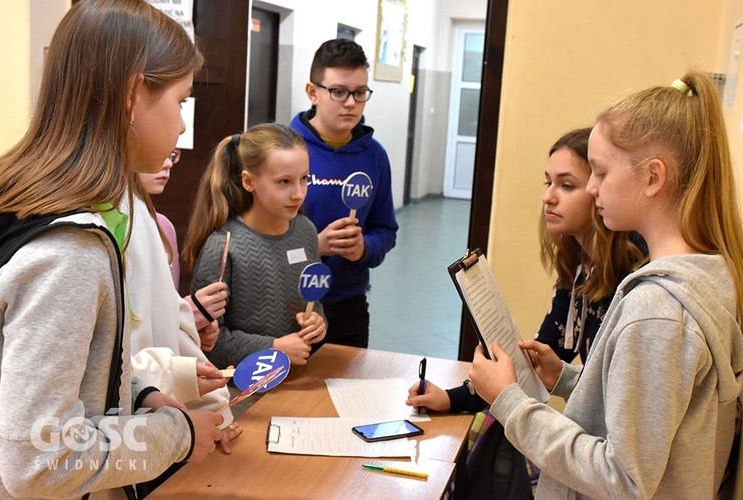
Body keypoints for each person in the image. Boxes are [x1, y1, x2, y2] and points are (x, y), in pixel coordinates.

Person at [469, 71, 743, 498]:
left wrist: (509, 402)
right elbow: (653, 419)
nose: (592, 188)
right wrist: (566, 378)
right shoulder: (712, 274)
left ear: (653, 178)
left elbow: (624, 478)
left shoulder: (656, 311)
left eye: (599, 172)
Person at [0, 1, 223, 497]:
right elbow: (39, 460)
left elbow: (41, 373)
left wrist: (139, 394)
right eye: (180, 101)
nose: (183, 126)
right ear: (133, 94)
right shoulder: (68, 250)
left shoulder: (26, 197)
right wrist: (177, 436)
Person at [406, 127, 644, 498]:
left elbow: (621, 410)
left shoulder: (632, 284)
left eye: (567, 186)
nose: (547, 197)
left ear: (598, 190)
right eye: (548, 182)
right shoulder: (580, 271)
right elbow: (531, 367)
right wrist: (452, 398)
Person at [183, 123, 327, 368]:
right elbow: (207, 341)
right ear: (249, 181)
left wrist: (317, 321)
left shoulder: (305, 231)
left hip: (295, 377)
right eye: (284, 182)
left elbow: (312, 300)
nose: (299, 193)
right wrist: (273, 348)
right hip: (240, 388)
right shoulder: (223, 246)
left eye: (304, 179)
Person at [290, 38, 399, 348]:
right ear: (313, 92)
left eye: (360, 93)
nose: (351, 103)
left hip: (348, 305)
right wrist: (316, 246)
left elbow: (386, 230)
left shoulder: (374, 156)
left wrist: (364, 247)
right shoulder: (282, 148)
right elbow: (257, 235)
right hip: (289, 306)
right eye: (338, 92)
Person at [138, 149, 228, 350]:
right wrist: (190, 313)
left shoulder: (164, 227)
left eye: (172, 155)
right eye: (160, 151)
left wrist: (190, 329)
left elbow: (166, 306)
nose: (169, 164)